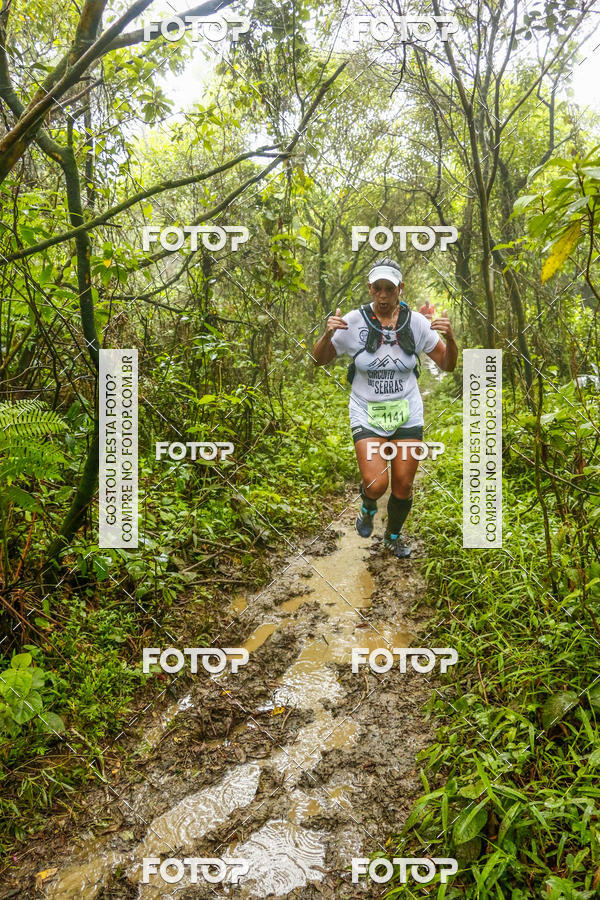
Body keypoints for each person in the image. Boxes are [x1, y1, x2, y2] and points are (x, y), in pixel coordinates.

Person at [312, 258, 458, 558]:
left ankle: (393, 536)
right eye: (376, 288)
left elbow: (447, 364)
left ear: (399, 290)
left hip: (407, 412)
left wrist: (451, 340)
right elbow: (319, 360)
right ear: (369, 289)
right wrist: (327, 334)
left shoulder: (416, 323)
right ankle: (367, 507)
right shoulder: (353, 321)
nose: (382, 295)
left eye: (388, 289)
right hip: (367, 411)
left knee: (403, 485)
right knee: (377, 484)